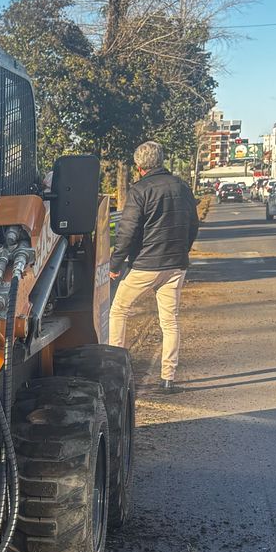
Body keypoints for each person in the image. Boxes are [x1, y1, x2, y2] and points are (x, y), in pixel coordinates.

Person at [109, 140, 200, 394]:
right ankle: (168, 378)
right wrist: (183, 250)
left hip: (145, 265)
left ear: (139, 167)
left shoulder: (139, 190)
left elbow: (127, 232)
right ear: (161, 161)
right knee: (169, 321)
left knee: (119, 310)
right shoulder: (182, 187)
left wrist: (116, 263)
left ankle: (116, 371)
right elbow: (193, 224)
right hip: (176, 265)